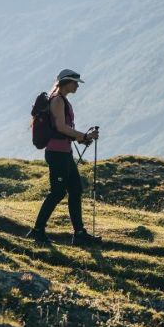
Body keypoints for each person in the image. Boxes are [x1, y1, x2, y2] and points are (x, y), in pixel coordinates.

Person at [26, 69, 101, 246]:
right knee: (58, 192)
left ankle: (80, 233)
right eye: (75, 82)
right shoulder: (58, 101)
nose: (77, 86)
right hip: (57, 153)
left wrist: (82, 138)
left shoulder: (63, 100)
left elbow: (64, 129)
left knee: (75, 190)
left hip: (64, 152)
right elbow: (60, 127)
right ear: (67, 82)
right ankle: (37, 230)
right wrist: (84, 136)